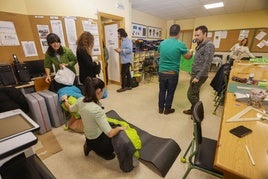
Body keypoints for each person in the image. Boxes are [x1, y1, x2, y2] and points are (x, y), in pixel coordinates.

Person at [62, 77, 126, 160]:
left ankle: (88, 145)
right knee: (116, 137)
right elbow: (110, 133)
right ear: (99, 91)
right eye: (104, 90)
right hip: (98, 141)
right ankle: (102, 152)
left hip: (88, 137)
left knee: (107, 126)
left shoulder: (80, 100)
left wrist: (65, 100)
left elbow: (70, 108)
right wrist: (119, 128)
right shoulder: (97, 110)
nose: (104, 92)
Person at [157, 24, 193, 115]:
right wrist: (191, 52)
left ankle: (160, 109)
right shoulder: (180, 44)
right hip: (172, 74)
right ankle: (167, 110)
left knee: (162, 91)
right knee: (170, 92)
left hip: (162, 72)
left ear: (170, 32)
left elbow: (159, 52)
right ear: (178, 33)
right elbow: (188, 57)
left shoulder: (162, 43)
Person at [183, 25, 215, 115]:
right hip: (195, 73)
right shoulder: (201, 45)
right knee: (195, 93)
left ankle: (199, 113)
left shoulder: (209, 45)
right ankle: (193, 110)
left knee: (191, 95)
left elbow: (207, 63)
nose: (196, 37)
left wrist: (198, 76)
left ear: (205, 34)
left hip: (199, 75)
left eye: (198, 35)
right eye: (195, 35)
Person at [114, 28, 133, 92]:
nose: (118, 35)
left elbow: (130, 50)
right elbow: (124, 50)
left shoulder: (127, 41)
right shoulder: (123, 41)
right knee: (128, 73)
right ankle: (129, 86)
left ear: (121, 34)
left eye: (118, 34)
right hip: (124, 60)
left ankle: (123, 87)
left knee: (123, 74)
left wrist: (121, 50)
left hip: (126, 60)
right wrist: (119, 51)